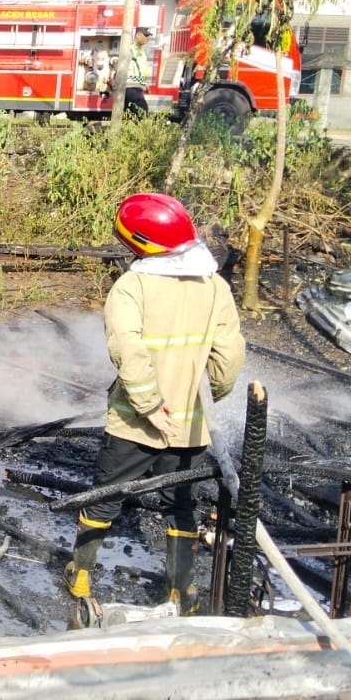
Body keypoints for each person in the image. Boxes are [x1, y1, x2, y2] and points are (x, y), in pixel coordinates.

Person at [65, 193, 244, 625]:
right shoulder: (215, 285)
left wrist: (149, 405)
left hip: (134, 424)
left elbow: (129, 351)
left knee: (105, 496)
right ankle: (182, 586)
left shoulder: (132, 287)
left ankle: (81, 576)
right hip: (191, 426)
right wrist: (208, 397)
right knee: (180, 504)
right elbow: (230, 357)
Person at [125, 27, 152, 117]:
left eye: (148, 36)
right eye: (145, 36)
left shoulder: (141, 51)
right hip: (130, 86)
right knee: (143, 113)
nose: (147, 38)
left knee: (130, 115)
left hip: (136, 87)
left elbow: (140, 69)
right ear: (137, 35)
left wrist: (144, 84)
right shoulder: (130, 49)